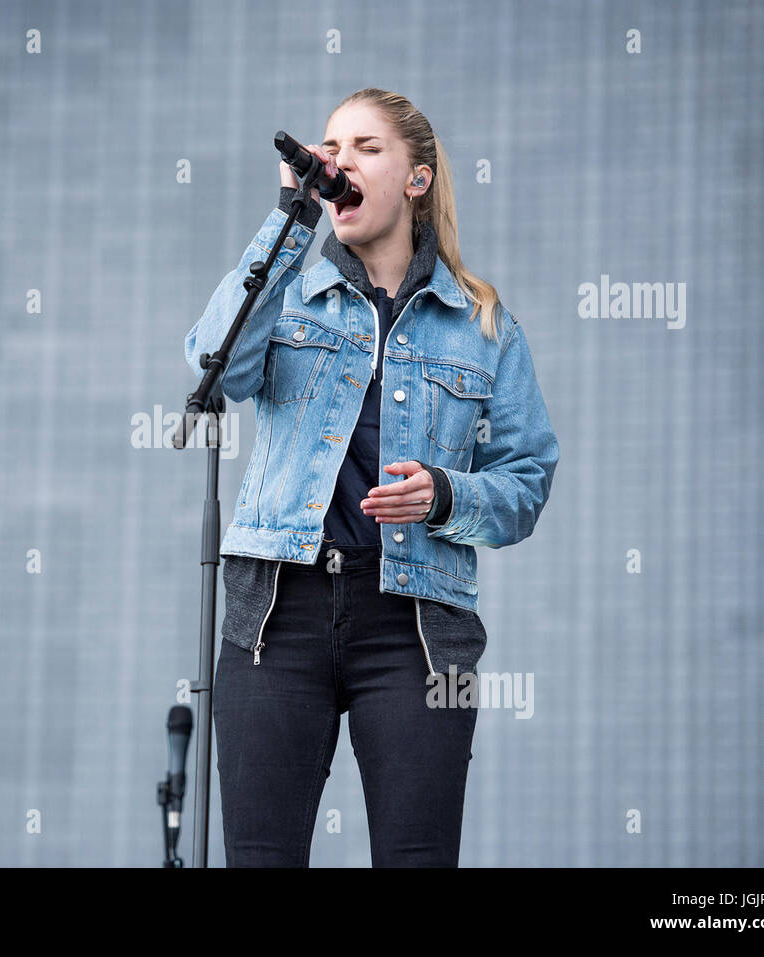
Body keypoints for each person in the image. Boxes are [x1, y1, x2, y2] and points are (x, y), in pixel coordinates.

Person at [183, 88, 559, 867]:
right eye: (330, 147)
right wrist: (289, 222)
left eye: (364, 147)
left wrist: (447, 495)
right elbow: (212, 365)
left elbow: (526, 481)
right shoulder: (288, 294)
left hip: (415, 626)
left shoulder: (484, 323)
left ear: (416, 178)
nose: (337, 161)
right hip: (274, 617)